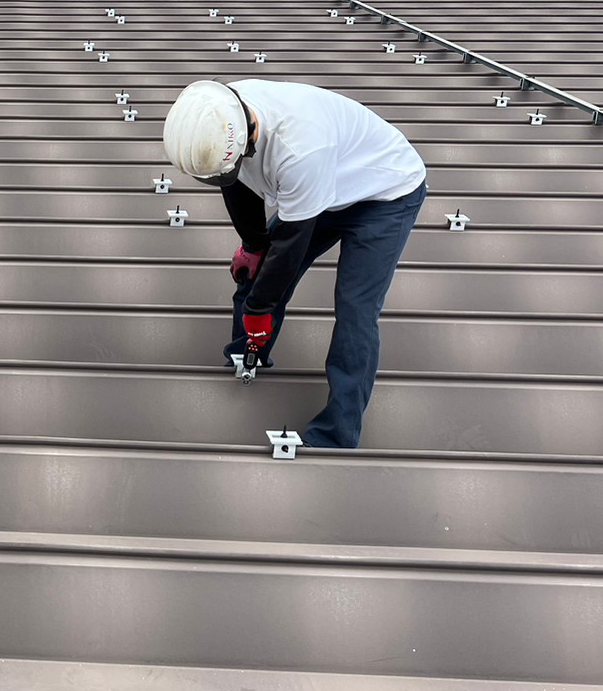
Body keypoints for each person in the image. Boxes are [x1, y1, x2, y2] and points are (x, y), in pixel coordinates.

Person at [162, 79, 427, 448]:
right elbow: (235, 184)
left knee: (355, 308)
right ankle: (246, 356)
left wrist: (259, 310)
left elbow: (289, 249)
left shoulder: (300, 148)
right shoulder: (216, 113)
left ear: (246, 138)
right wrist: (253, 245)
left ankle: (337, 435)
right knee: (256, 273)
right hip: (323, 182)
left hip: (385, 194)